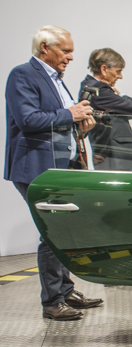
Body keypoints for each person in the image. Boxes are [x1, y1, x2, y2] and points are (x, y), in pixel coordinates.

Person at [4, 25, 103, 321]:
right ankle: (52, 301)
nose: (71, 57)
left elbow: (55, 120)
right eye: (66, 50)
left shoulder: (57, 80)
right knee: (52, 232)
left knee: (65, 231)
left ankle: (66, 290)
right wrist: (69, 114)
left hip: (61, 165)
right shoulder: (23, 74)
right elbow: (28, 119)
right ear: (44, 47)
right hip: (35, 168)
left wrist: (79, 123)